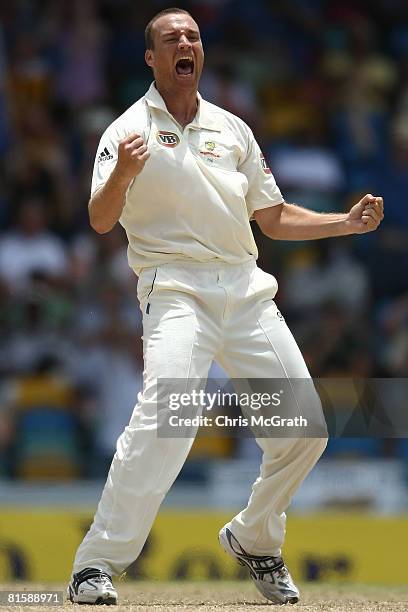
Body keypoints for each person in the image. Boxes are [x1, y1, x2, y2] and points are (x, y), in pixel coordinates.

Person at [67, 7, 384, 606]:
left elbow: (272, 217)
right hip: (176, 288)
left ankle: (255, 538)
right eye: (171, 38)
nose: (185, 43)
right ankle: (96, 563)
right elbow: (101, 218)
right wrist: (124, 173)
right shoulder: (126, 131)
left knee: (304, 430)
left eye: (192, 35)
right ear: (151, 59)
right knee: (170, 414)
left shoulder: (232, 129)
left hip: (244, 288)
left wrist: (346, 222)